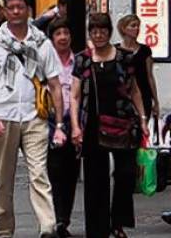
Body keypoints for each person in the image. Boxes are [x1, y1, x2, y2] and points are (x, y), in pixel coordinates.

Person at [0, 0, 64, 238]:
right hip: (3, 117)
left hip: (34, 115)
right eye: (11, 7)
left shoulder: (42, 44)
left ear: (28, 9)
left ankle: (48, 227)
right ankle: (4, 231)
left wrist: (59, 124)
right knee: (3, 180)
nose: (16, 11)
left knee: (39, 173)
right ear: (5, 11)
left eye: (20, 7)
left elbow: (55, 84)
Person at [70, 13, 146, 238]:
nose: (98, 35)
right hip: (92, 124)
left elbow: (134, 90)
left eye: (103, 30)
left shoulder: (124, 58)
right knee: (95, 179)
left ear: (110, 31)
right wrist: (75, 126)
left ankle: (118, 220)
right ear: (89, 33)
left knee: (126, 174)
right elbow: (74, 96)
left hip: (123, 121)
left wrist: (143, 120)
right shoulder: (82, 59)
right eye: (94, 31)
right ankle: (97, 229)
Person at [45, 17, 79, 238]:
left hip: (74, 121)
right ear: (52, 38)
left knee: (71, 172)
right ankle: (55, 218)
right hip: (50, 120)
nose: (63, 37)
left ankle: (64, 219)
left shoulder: (80, 61)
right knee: (54, 171)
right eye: (58, 34)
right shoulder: (46, 61)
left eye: (66, 33)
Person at [117, 13, 159, 126]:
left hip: (144, 93)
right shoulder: (116, 50)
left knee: (141, 127)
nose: (137, 29)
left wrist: (156, 101)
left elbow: (150, 76)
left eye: (138, 26)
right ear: (124, 28)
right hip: (123, 95)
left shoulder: (145, 50)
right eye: (133, 26)